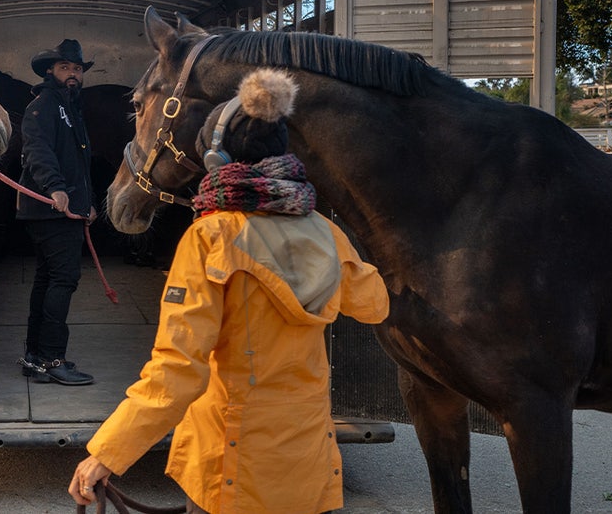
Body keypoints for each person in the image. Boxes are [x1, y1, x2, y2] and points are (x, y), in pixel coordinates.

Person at [68, 69, 390, 513]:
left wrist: (107, 452)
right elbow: (373, 306)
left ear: (217, 160)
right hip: (308, 467)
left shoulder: (212, 238)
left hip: (231, 468)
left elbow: (179, 369)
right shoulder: (326, 233)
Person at [15, 38, 98, 386]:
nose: (73, 74)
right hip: (50, 209)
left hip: (61, 209)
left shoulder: (69, 108)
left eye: (77, 69)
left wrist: (87, 201)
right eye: (66, 68)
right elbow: (38, 150)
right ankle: (52, 359)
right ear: (51, 71)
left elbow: (79, 164)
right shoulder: (44, 105)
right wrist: (56, 188)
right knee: (63, 279)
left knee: (47, 279)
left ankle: (35, 356)